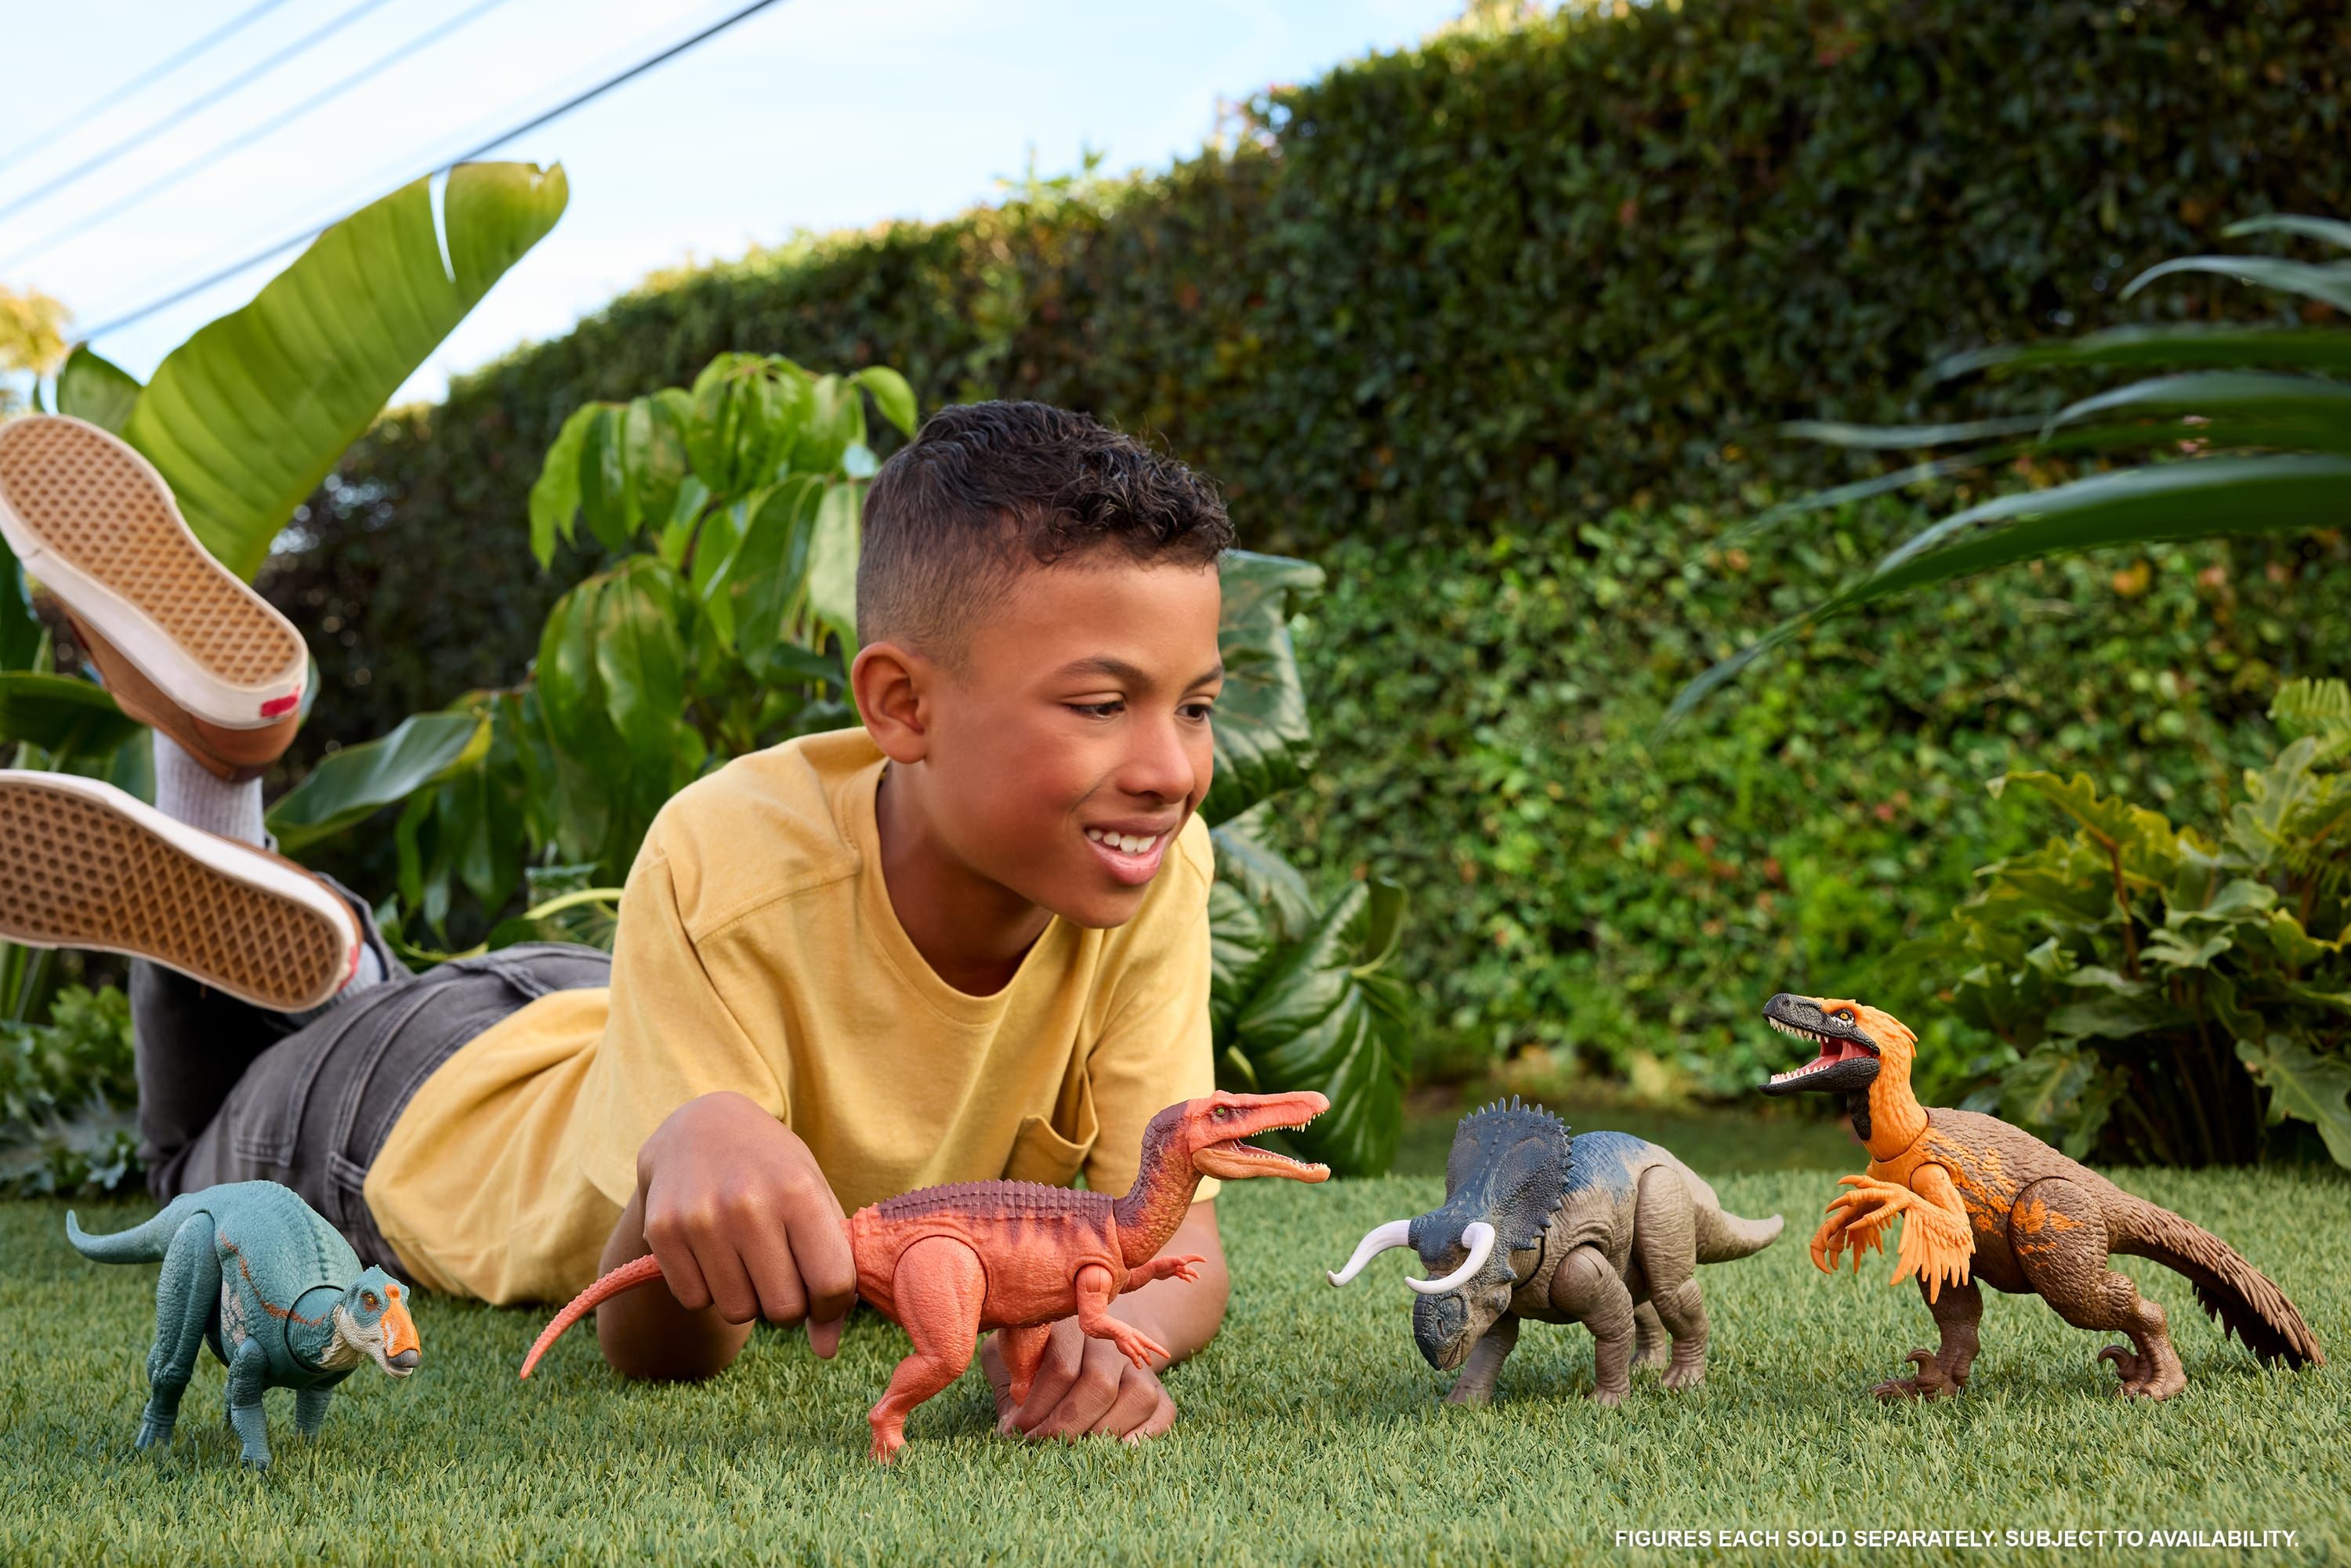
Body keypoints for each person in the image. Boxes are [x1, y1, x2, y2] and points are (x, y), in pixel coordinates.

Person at [0, 401, 1234, 1446]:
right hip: (397, 1120)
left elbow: (1185, 1246)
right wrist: (686, 1147)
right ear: (901, 704)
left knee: (363, 995)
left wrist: (1112, 1330)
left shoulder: (1153, 877)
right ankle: (219, 776)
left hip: (584, 1008)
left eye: (1195, 707)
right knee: (188, 1164)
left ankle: (257, 823)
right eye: (1103, 703)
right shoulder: (734, 850)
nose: (1171, 768)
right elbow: (657, 1348)